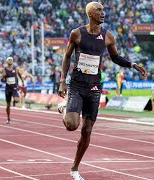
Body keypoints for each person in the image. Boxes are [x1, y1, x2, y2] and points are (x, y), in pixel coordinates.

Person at [57, 2, 147, 180]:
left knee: (87, 130)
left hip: (94, 86)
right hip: (77, 84)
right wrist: (62, 82)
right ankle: (64, 107)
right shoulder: (77, 34)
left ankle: (75, 168)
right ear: (90, 14)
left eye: (103, 10)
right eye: (99, 10)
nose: (103, 13)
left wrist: (132, 64)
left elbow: (115, 57)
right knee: (71, 126)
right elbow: (67, 57)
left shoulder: (108, 37)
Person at [1, 57, 20, 124]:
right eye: (9, 60)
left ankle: (14, 101)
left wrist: (22, 81)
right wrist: (3, 77)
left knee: (17, 100)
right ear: (7, 62)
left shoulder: (16, 69)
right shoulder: (4, 70)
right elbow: (2, 79)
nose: (10, 61)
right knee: (8, 105)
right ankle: (8, 118)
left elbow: (19, 75)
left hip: (14, 88)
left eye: (11, 60)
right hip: (8, 89)